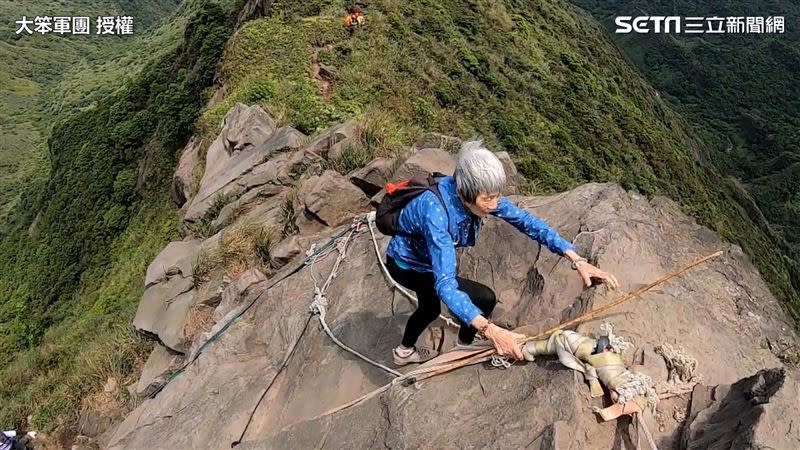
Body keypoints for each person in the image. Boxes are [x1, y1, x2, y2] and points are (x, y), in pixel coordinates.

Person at [386, 140, 619, 366]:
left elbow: (528, 222)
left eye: (497, 195)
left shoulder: (478, 192)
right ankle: (406, 352)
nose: (495, 204)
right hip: (407, 264)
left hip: (425, 257)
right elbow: (445, 283)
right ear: (464, 192)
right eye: (488, 198)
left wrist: (576, 258)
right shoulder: (436, 213)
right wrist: (492, 331)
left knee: (478, 300)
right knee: (433, 307)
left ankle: (462, 345)